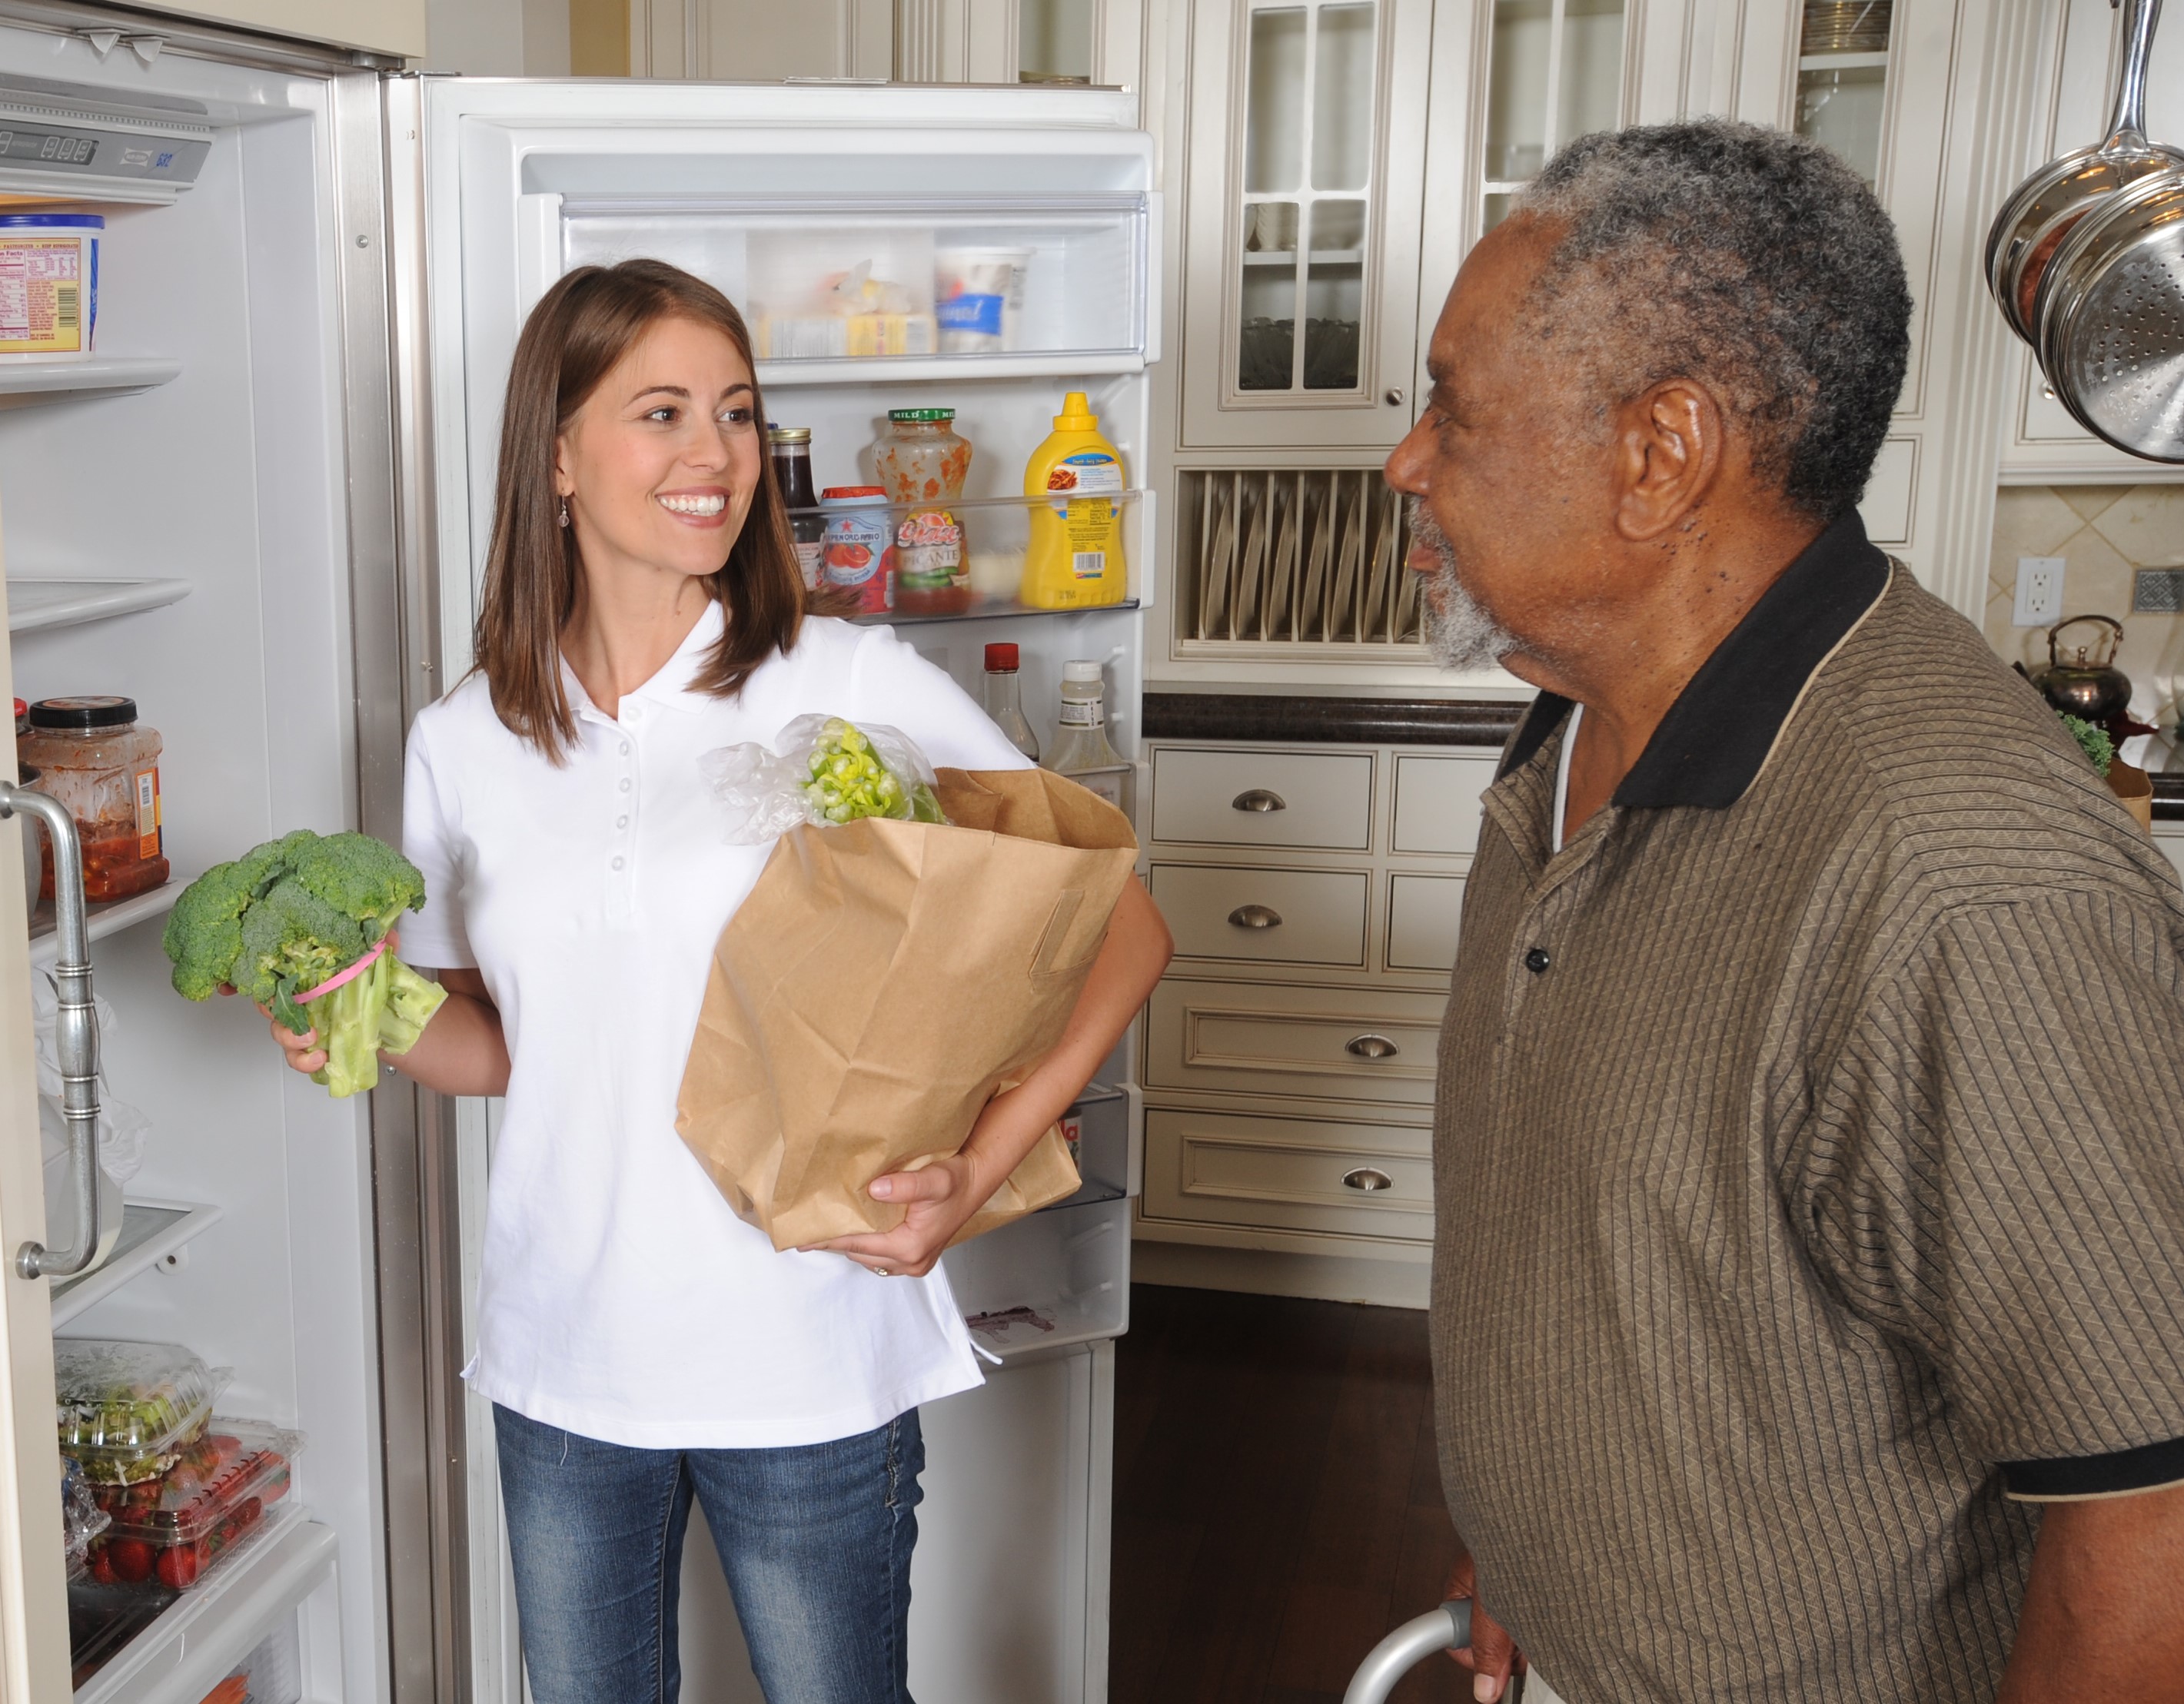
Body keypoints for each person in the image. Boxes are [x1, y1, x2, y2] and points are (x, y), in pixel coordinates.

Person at [262, 259, 1173, 1702]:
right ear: (555, 455)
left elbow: (1119, 923)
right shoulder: (464, 738)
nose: (716, 456)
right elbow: (510, 1048)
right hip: (565, 1356)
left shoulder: (846, 675)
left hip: (809, 1343)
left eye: (739, 413)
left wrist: (986, 1161)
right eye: (665, 412)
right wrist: (353, 1020)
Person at [1385, 121, 2184, 1704]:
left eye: (1451, 407)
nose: (1408, 460)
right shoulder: (1572, 714)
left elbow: (2149, 1523)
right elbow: (1611, 1232)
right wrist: (1524, 1533)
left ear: (1658, 452)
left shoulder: (1956, 880)